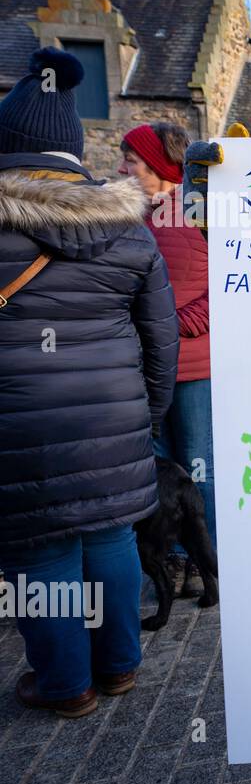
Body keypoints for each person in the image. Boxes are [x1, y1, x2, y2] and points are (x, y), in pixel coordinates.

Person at [0, 48, 178, 718]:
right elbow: (159, 337)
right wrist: (145, 416)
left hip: (18, 427)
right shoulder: (130, 231)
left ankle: (66, 684)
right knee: (111, 535)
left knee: (39, 550)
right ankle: (120, 667)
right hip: (112, 420)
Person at [120, 122, 213, 595]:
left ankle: (205, 558)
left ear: (157, 164)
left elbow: (225, 285)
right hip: (141, 368)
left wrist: (170, 327)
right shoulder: (127, 218)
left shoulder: (201, 211)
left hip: (195, 368)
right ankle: (172, 559)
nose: (121, 168)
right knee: (155, 470)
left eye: (130, 159)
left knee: (199, 465)